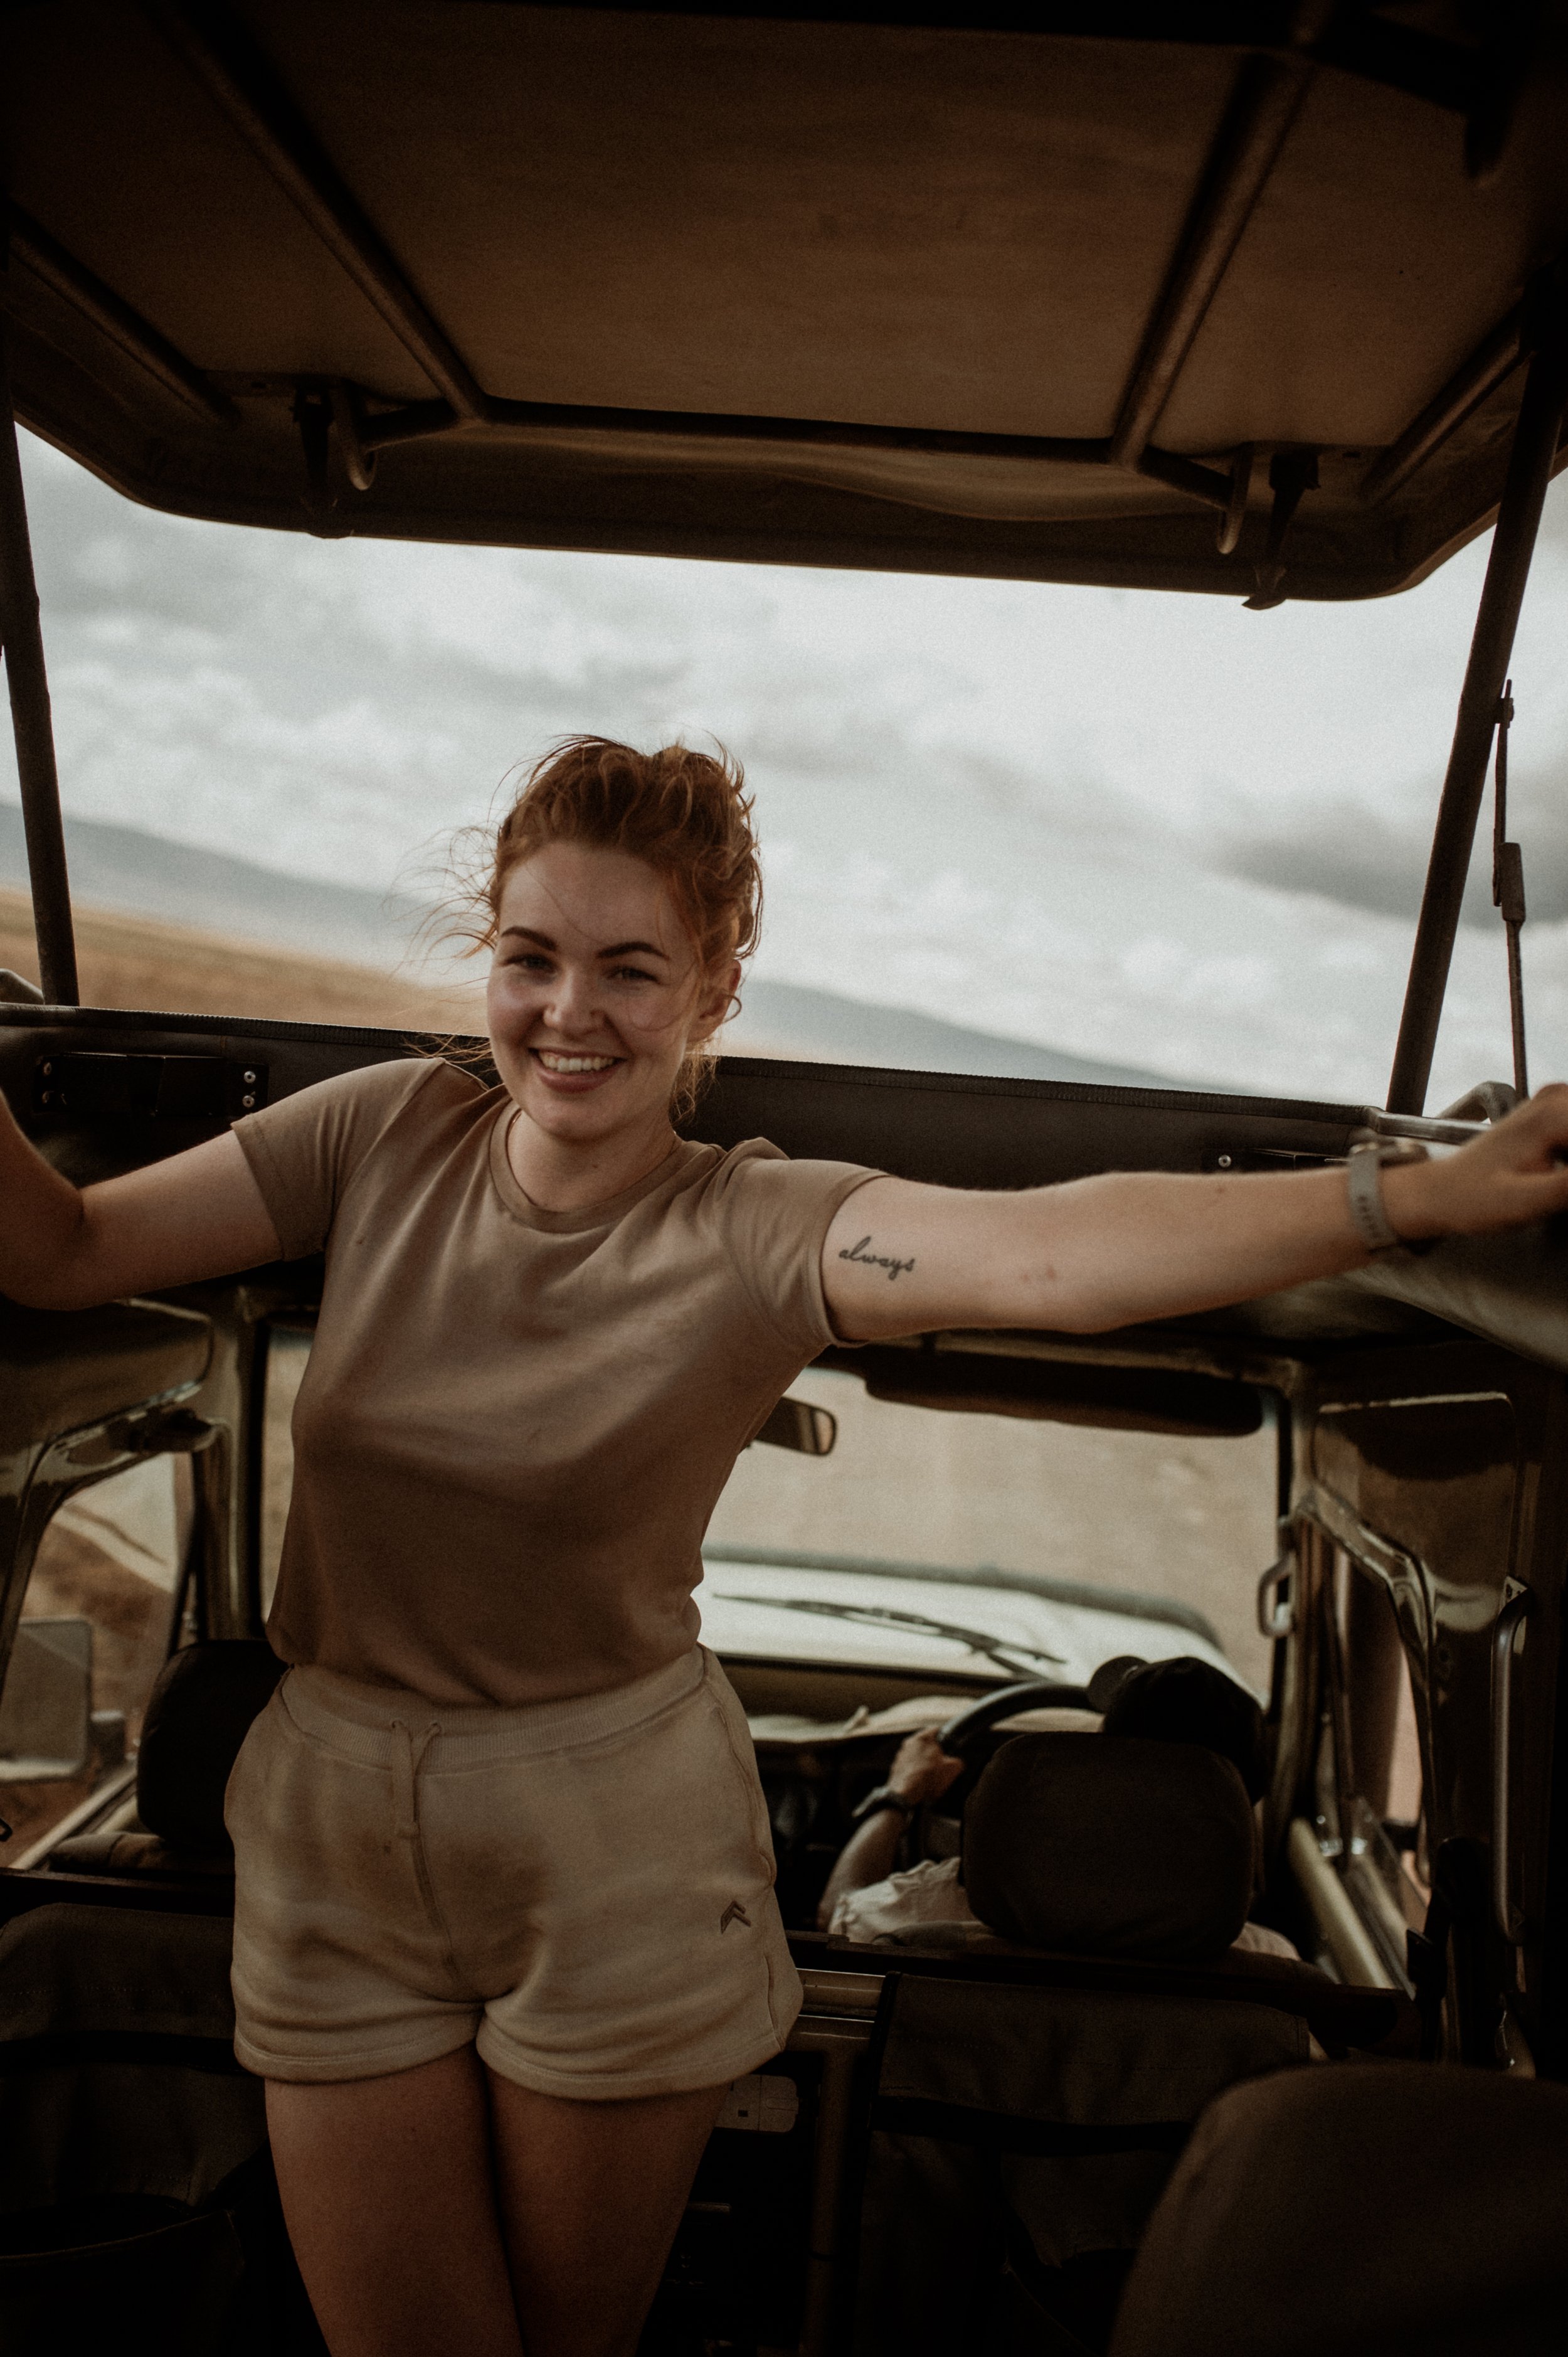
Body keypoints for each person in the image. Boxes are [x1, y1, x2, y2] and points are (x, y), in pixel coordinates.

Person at [4, 735, 1567, 2357]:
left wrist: (1410, 1195)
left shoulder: (752, 1223)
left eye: (628, 967)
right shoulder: (383, 1132)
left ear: (710, 983)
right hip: (328, 1805)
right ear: (490, 950)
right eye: (532, 957)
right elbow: (65, 1250)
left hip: (605, 1839)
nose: (568, 1011)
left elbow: (1049, 1258)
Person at [818, 1657, 1291, 1956]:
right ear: (1237, 1805)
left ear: (1095, 1759)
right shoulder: (1271, 1968)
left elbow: (837, 1919)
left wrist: (899, 1795)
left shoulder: (935, 1918)